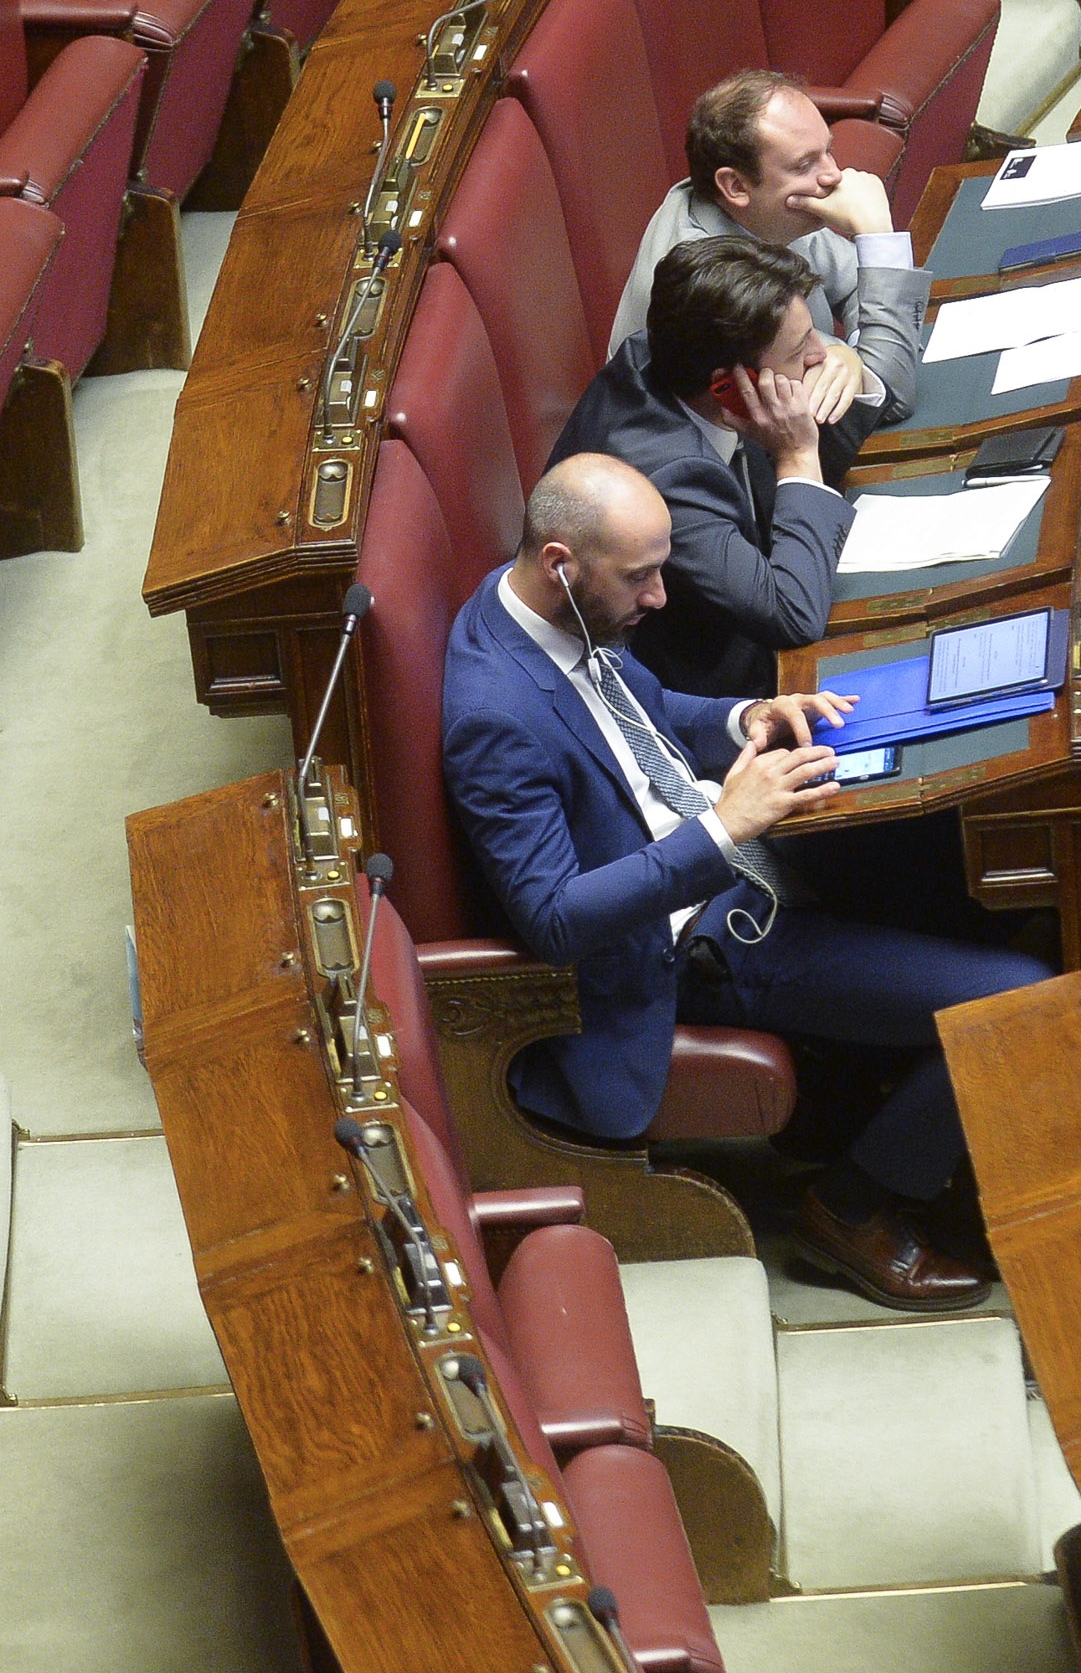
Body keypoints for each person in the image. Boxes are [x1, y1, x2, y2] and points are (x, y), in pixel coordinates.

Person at [441, 453, 1040, 1309]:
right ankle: (852, 1206)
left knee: (965, 865)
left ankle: (910, 1117)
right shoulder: (493, 716)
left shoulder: (544, 612)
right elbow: (555, 919)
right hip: (698, 946)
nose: (659, 598)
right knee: (1011, 1003)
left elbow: (642, 712)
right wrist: (725, 826)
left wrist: (743, 718)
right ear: (561, 564)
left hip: (739, 868)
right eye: (642, 577)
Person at [556, 231, 847, 693]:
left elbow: (843, 451)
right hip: (718, 694)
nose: (820, 353)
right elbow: (793, 615)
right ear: (728, 385)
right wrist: (796, 456)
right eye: (800, 350)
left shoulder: (672, 350)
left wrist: (846, 361)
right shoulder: (668, 478)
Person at [607, 68, 922, 451]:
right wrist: (878, 237)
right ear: (736, 185)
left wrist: (852, 357)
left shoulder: (767, 209)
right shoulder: (713, 279)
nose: (834, 176)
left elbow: (859, 287)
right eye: (804, 164)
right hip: (723, 485)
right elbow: (890, 395)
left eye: (829, 151)